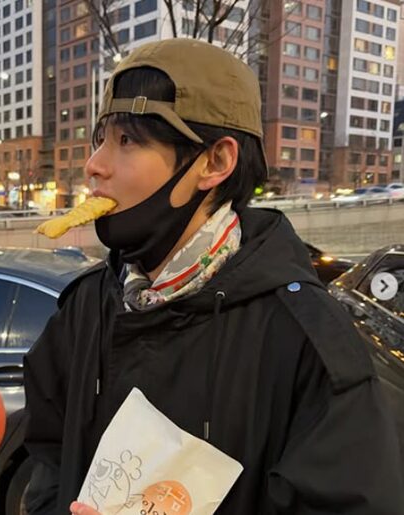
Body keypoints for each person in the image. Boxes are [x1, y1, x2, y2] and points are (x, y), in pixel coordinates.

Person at [23, 39, 404, 514]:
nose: (94, 165)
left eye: (128, 141)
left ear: (216, 161)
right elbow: (48, 458)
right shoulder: (86, 308)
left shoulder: (308, 339)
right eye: (101, 139)